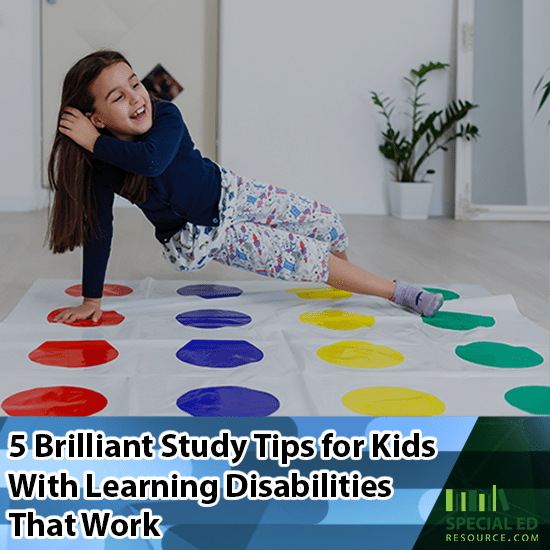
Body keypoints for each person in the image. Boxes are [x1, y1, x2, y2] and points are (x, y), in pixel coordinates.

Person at [48, 50, 443, 324]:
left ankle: (344, 278)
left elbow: (152, 159)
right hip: (199, 237)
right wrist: (91, 299)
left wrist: (95, 141)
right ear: (94, 119)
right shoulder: (102, 166)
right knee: (306, 255)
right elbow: (100, 227)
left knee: (328, 222)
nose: (137, 99)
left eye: (135, 83)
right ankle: (399, 292)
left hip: (229, 191)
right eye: (118, 97)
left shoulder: (166, 112)